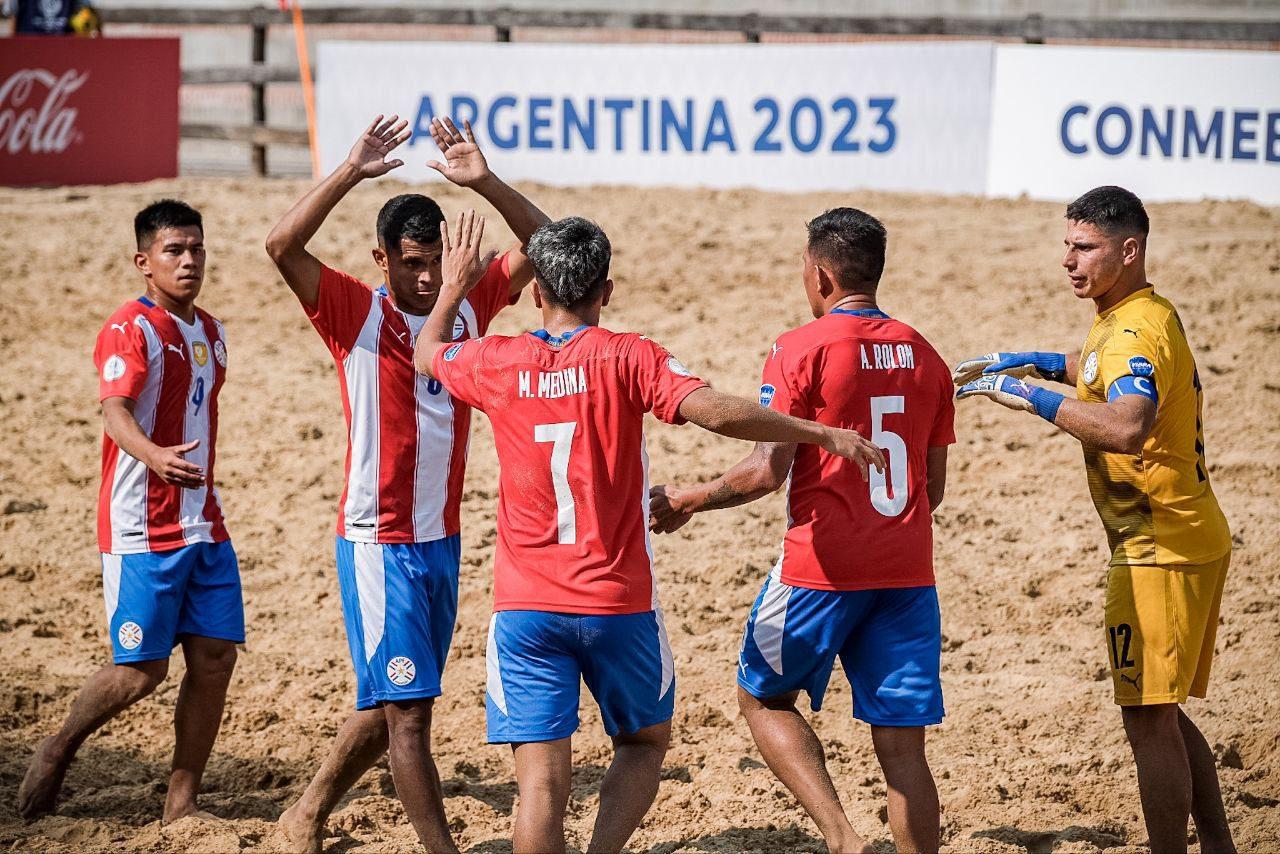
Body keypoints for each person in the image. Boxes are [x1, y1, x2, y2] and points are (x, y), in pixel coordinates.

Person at [414, 214, 886, 854]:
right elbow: (715, 412)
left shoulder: (497, 361)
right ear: (605, 290)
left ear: (535, 294)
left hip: (525, 605)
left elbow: (425, 352)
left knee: (541, 790)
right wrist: (816, 431)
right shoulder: (629, 355)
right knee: (643, 743)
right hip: (617, 601)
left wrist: (453, 289)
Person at [265, 114, 549, 854]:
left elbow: (553, 247)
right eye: (412, 264)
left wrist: (484, 181)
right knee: (411, 714)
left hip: (443, 539)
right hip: (377, 541)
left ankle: (307, 808)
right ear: (381, 259)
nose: (427, 279)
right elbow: (279, 246)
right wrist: (351, 171)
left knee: (399, 694)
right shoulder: (354, 310)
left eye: (435, 264)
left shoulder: (466, 301)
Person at [649, 208, 955, 854]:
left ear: (819, 275)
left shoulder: (800, 348)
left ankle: (843, 839)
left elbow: (766, 472)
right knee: (905, 755)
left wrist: (690, 498)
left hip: (821, 571)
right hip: (906, 574)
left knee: (760, 696)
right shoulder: (928, 356)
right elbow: (936, 490)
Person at [953, 186, 1234, 854]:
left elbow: (1128, 424)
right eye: (1067, 246)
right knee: (1160, 712)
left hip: (1157, 545)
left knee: (1145, 721)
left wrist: (1030, 396)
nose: (1068, 261)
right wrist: (1035, 360)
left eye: (1085, 248)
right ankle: (1220, 847)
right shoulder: (1139, 311)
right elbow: (1105, 370)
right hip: (1182, 533)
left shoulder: (1134, 326)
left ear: (1128, 249)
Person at [18, 200, 242, 823]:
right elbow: (115, 410)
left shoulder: (214, 331)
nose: (189, 260)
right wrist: (154, 457)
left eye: (196, 248)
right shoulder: (130, 327)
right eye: (175, 251)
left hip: (205, 519)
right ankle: (58, 747)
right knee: (140, 673)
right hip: (142, 523)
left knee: (216, 657)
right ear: (145, 263)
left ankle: (181, 802)